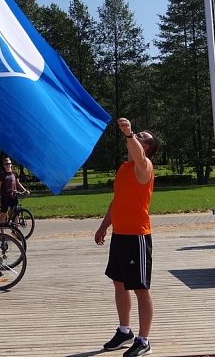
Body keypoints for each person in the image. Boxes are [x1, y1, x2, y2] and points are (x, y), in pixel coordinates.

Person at [95, 118, 159, 357]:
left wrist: (130, 134)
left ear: (147, 148)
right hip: (119, 235)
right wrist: (104, 226)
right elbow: (117, 200)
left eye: (143, 137)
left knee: (141, 288)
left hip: (137, 237)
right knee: (119, 283)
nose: (138, 137)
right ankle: (125, 331)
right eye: (138, 135)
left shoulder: (145, 166)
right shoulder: (124, 167)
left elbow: (139, 156)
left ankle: (144, 340)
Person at [0, 157, 30, 225]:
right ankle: (2, 233)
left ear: (11, 164)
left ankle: (16, 230)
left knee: (16, 213)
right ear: (4, 165)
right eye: (6, 164)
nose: (8, 165)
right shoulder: (2, 175)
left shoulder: (14, 173)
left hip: (14, 197)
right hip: (5, 197)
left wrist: (25, 190)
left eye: (9, 164)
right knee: (3, 214)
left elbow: (17, 183)